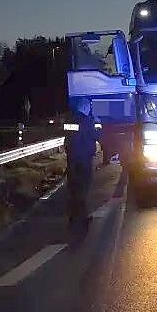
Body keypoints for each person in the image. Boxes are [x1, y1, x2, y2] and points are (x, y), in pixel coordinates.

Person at [64, 97, 97, 229]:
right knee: (83, 188)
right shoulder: (87, 121)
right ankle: (82, 218)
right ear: (84, 108)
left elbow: (67, 137)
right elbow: (95, 136)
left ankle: (72, 217)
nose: (89, 109)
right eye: (88, 107)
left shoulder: (69, 121)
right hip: (84, 159)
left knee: (73, 188)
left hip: (72, 159)